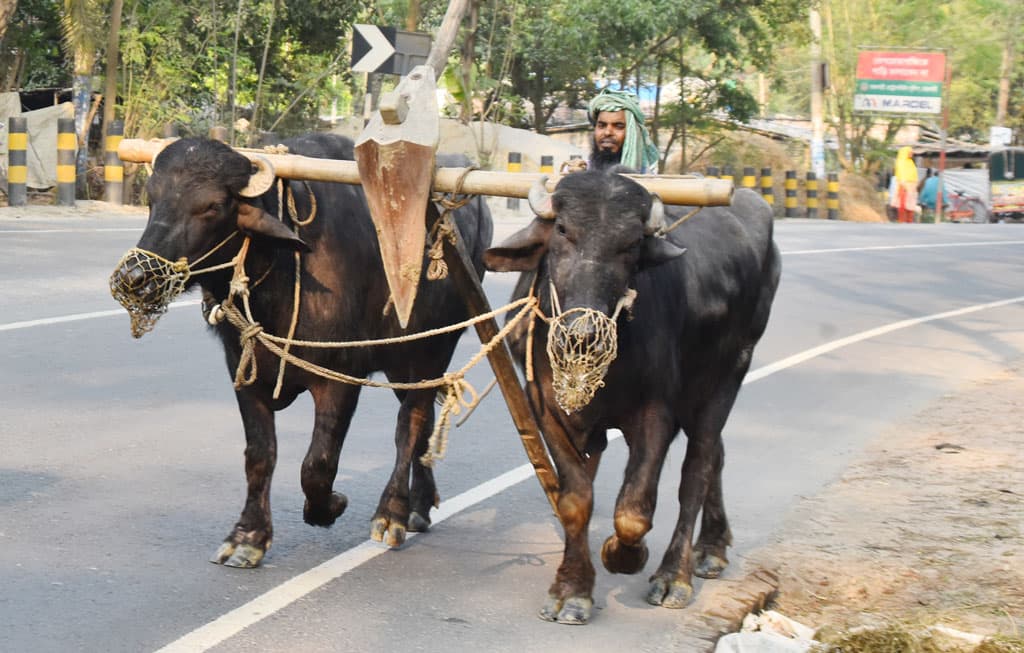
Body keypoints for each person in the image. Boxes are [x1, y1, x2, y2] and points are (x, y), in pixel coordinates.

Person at [586, 88, 660, 173]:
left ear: (632, 133)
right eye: (602, 125)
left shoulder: (648, 179)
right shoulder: (582, 170)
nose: (607, 132)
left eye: (618, 126)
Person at [890, 146, 919, 223]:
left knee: (910, 204)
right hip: (903, 185)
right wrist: (904, 184)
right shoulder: (901, 162)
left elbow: (914, 174)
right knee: (902, 204)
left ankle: (909, 221)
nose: (911, 154)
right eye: (910, 152)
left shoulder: (911, 162)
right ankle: (901, 220)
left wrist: (915, 185)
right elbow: (901, 174)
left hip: (912, 186)